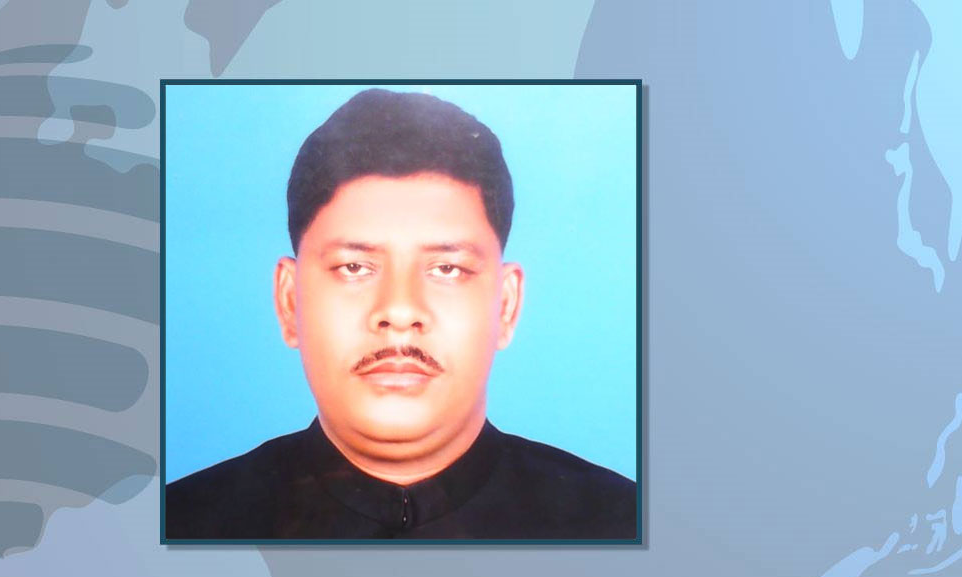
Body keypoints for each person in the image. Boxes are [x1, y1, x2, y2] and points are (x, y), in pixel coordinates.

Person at [166, 88, 636, 539]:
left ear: (506, 306)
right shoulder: (178, 526)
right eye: (354, 267)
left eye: (447, 268)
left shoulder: (624, 525)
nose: (399, 310)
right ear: (290, 301)